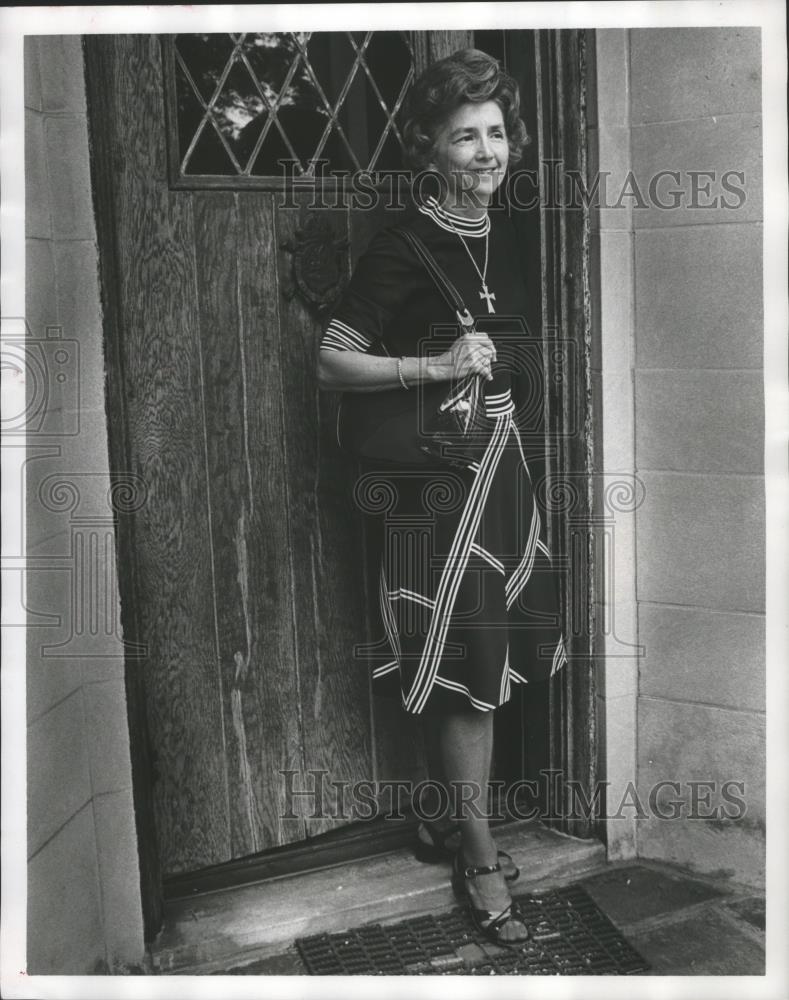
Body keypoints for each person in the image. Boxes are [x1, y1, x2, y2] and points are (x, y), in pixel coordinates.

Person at [317, 48, 567, 947]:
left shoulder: (510, 232)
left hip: (496, 474)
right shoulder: (403, 245)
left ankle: (441, 818)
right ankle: (476, 853)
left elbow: (510, 350)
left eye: (496, 132)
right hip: (430, 489)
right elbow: (332, 359)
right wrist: (434, 365)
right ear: (430, 147)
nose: (486, 151)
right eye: (465, 135)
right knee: (467, 680)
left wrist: (509, 388)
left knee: (480, 666)